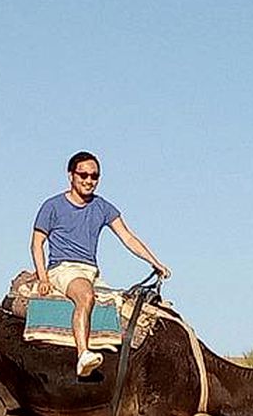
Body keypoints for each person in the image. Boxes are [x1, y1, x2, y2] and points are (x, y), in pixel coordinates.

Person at [31, 151, 170, 377]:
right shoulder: (52, 206)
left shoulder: (102, 207)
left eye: (94, 176)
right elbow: (36, 245)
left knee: (123, 307)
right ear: (71, 176)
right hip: (64, 269)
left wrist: (155, 262)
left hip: (91, 272)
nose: (88, 180)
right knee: (86, 297)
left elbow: (127, 237)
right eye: (83, 174)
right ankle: (83, 354)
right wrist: (44, 278)